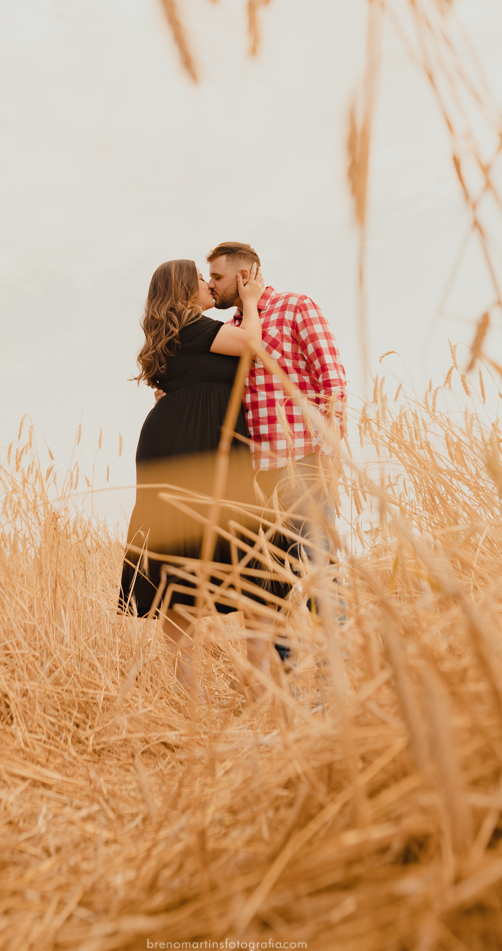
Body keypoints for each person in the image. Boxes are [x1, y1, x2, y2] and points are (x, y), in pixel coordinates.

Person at [118, 258, 271, 695]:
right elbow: (250, 344)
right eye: (201, 279)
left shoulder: (176, 333)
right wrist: (252, 301)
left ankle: (202, 693)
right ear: (185, 290)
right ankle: (220, 690)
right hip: (196, 444)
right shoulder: (192, 326)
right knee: (239, 556)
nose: (208, 284)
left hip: (181, 439)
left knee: (185, 568)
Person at [206, 241, 348, 659]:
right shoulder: (234, 329)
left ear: (245, 275)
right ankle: (290, 690)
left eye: (217, 277)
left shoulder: (296, 307)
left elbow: (333, 381)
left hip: (304, 462)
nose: (211, 285)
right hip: (259, 476)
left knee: (320, 573)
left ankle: (335, 681)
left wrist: (327, 456)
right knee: (276, 585)